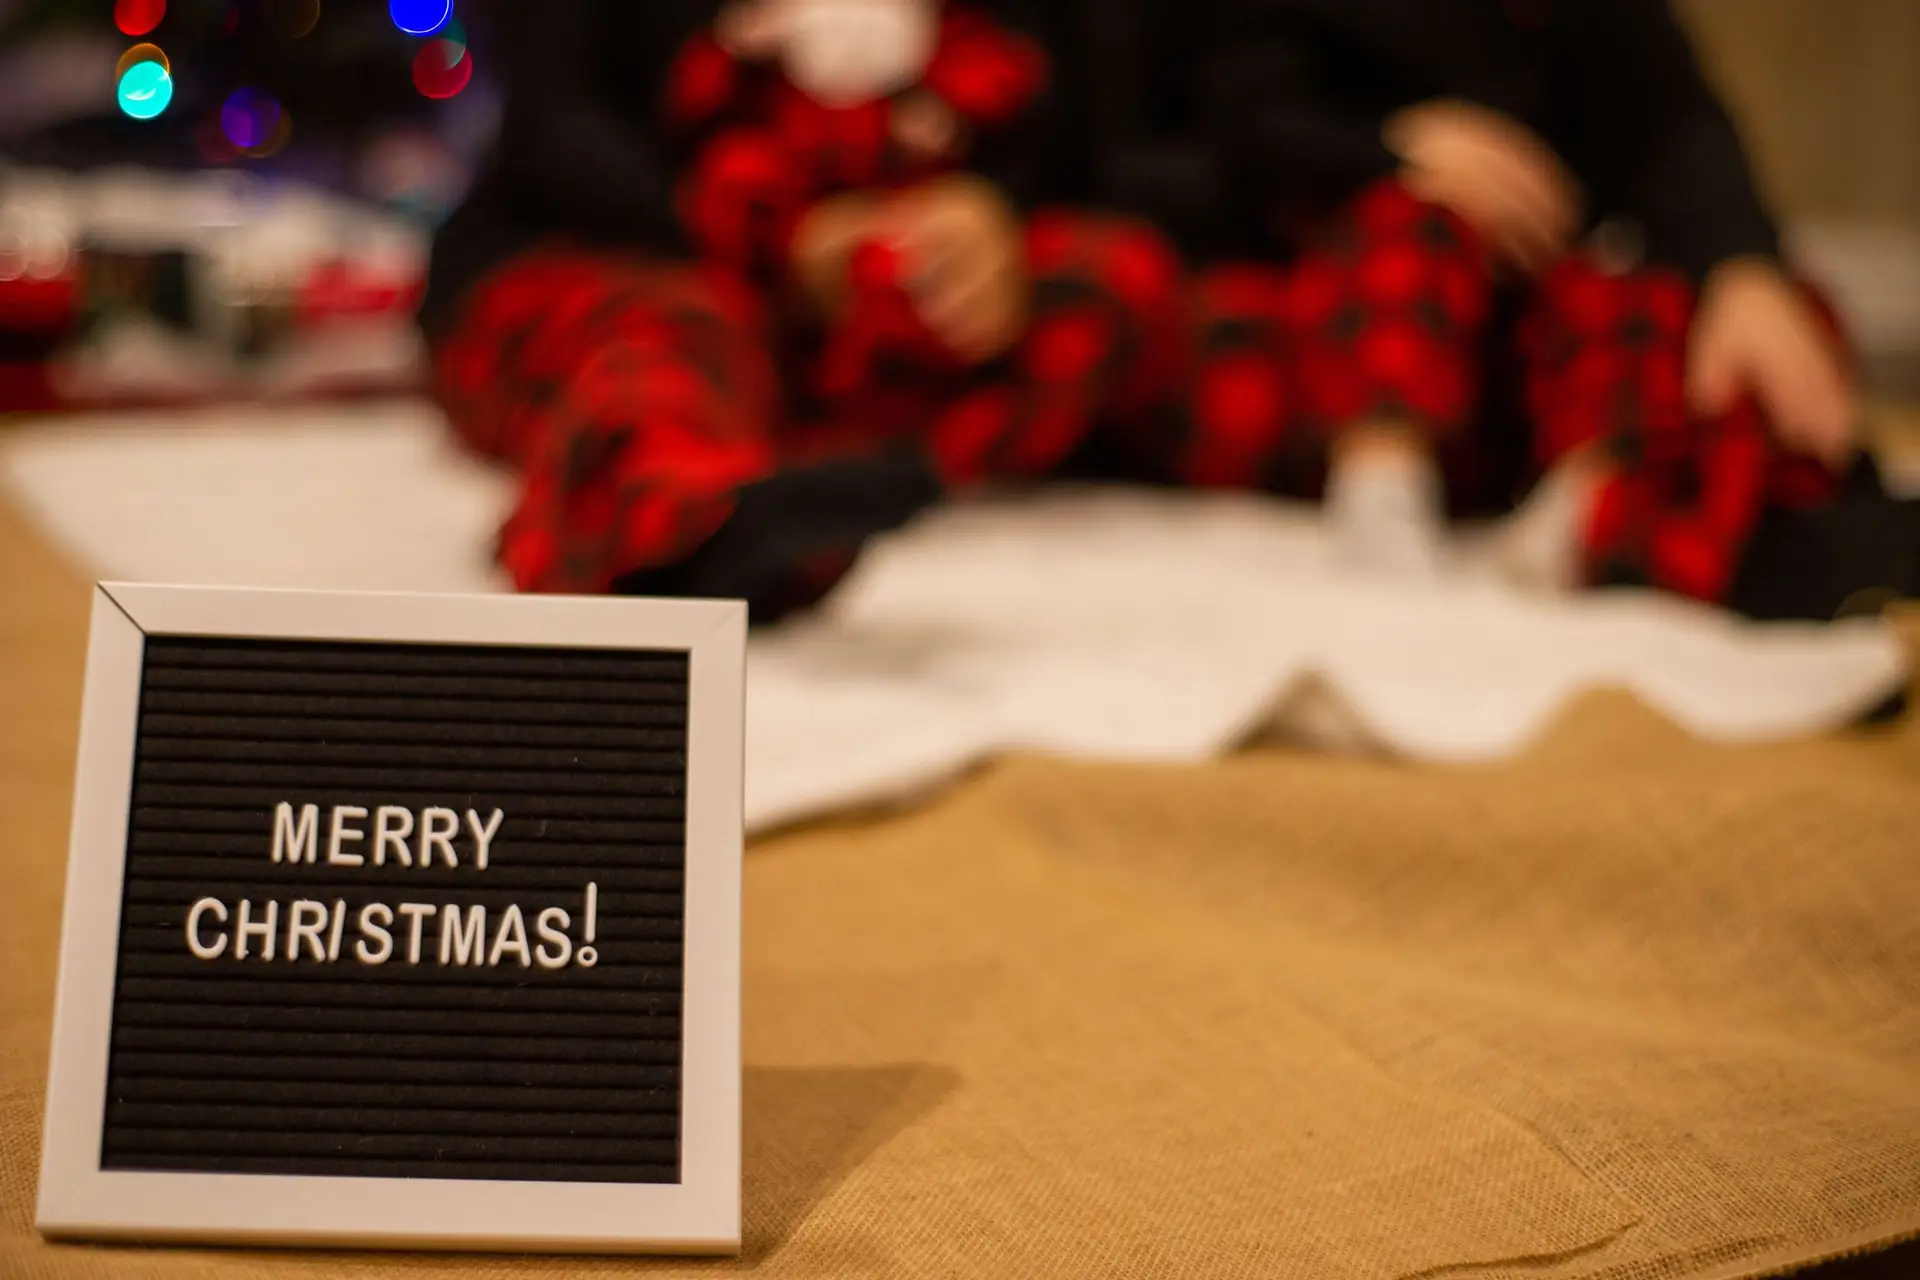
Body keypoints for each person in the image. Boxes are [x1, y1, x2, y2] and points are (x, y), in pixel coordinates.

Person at [1067, 0, 1909, 611]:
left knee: (1681, 312)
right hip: (1331, 349)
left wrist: (1743, 270)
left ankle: (1605, 513)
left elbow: (1675, 130)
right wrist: (1389, 151)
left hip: (1526, 360)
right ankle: (1384, 497)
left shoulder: (1596, 33)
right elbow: (1220, 133)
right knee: (1404, 238)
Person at [422, 0, 1179, 619]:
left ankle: (842, 460)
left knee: (1108, 280)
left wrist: (987, 217)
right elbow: (554, 129)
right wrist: (779, 236)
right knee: (662, 337)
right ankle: (678, 529)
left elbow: (1071, 123)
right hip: (643, 254)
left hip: (887, 282)